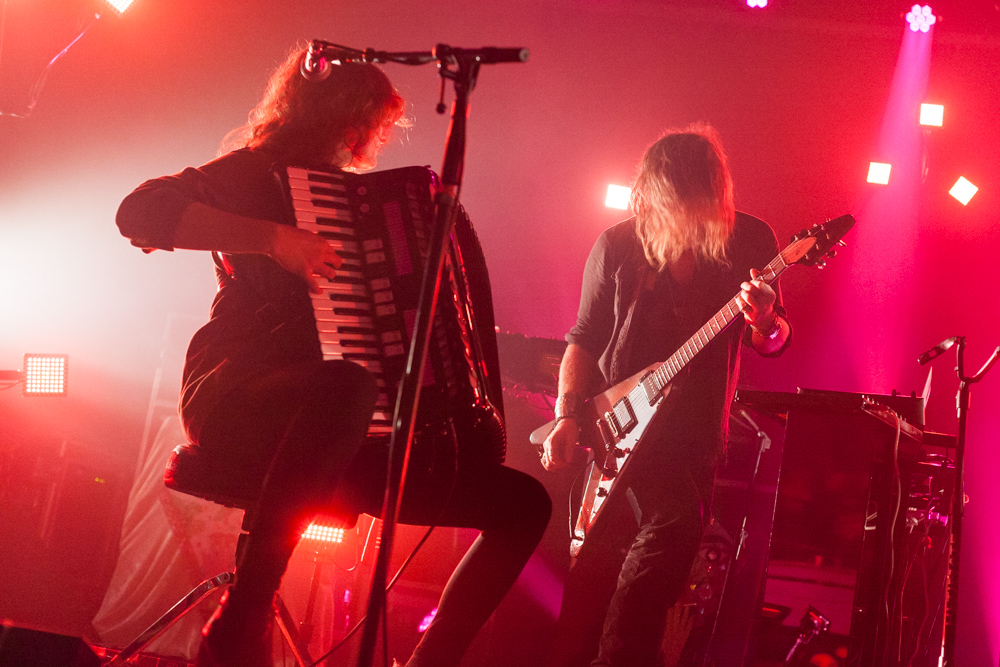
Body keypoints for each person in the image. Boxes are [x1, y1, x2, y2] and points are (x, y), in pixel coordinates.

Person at [116, 43, 551, 667]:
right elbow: (138, 213)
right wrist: (275, 241)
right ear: (320, 112)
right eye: (357, 120)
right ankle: (245, 611)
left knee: (522, 504)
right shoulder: (253, 173)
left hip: (342, 434)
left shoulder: (367, 208)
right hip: (236, 388)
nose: (362, 138)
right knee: (345, 386)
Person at [540, 125, 790, 667]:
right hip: (611, 441)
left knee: (643, 601)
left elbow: (772, 342)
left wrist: (765, 316)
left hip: (690, 449)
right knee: (582, 604)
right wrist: (566, 415)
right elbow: (583, 339)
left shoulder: (748, 240)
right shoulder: (618, 244)